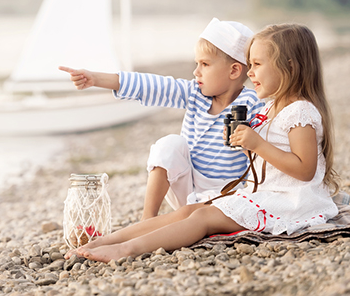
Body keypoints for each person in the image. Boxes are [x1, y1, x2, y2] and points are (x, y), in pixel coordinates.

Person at [64, 23, 340, 263]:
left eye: (256, 65)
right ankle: (106, 240)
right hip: (262, 194)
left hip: (290, 201)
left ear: (289, 67)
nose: (250, 72)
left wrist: (256, 144)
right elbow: (153, 85)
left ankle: (127, 248)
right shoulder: (269, 108)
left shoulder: (298, 111)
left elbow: (304, 170)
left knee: (201, 219)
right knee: (188, 210)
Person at [60, 18, 264, 221]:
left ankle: (189, 221)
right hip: (188, 190)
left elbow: (267, 149)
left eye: (205, 64)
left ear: (234, 70)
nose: (196, 72)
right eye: (196, 63)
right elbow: (151, 84)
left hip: (228, 195)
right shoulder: (195, 93)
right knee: (169, 144)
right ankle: (148, 219)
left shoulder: (252, 103)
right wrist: (95, 79)